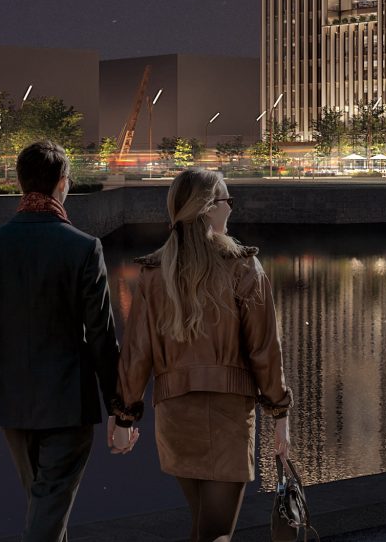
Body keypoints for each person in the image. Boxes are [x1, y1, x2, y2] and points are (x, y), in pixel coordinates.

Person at [111, 167, 293, 542]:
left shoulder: (154, 273)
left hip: (175, 414)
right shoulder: (244, 267)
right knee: (216, 534)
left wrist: (125, 414)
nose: (231, 209)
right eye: (227, 200)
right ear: (209, 209)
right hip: (228, 415)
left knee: (204, 529)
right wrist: (279, 411)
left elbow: (136, 353)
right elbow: (264, 350)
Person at [0, 140, 124, 542]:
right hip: (69, 403)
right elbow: (102, 335)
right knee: (49, 509)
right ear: (63, 185)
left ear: (20, 184)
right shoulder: (84, 248)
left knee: (45, 507)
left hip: (13, 405)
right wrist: (121, 411)